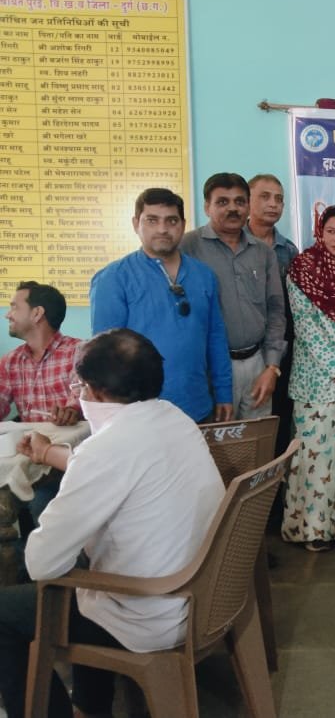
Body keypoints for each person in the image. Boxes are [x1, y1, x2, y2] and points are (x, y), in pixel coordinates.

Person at [0, 328, 224, 718]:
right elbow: (122, 466)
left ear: (97, 392)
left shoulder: (105, 450)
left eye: (80, 387)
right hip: (206, 595)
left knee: (8, 613)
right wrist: (54, 454)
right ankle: (90, 705)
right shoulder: (175, 418)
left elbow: (42, 563)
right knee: (86, 571)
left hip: (150, 614)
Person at [91, 187, 233, 422]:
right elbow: (104, 355)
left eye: (171, 221)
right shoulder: (113, 278)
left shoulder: (204, 275)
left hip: (197, 407)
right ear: (136, 224)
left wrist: (224, 393)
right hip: (137, 413)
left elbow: (215, 338)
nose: (162, 229)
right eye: (152, 220)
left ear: (183, 225)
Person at [281, 206, 335, 551]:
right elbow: (305, 326)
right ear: (320, 233)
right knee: (315, 454)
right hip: (316, 378)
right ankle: (313, 529)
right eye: (331, 231)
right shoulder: (303, 268)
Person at [182, 172, 286, 420]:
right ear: (207, 206)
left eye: (239, 202)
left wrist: (272, 367)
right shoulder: (187, 247)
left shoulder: (263, 252)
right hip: (209, 367)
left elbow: (275, 310)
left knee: (257, 441)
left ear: (248, 206)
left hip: (257, 364)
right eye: (222, 202)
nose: (232, 208)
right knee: (214, 440)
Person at [247, 173, 300, 455]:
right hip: (242, 350)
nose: (273, 204)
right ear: (248, 201)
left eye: (279, 199)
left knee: (277, 425)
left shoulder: (289, 251)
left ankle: (276, 484)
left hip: (280, 352)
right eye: (265, 197)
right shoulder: (234, 244)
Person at [1, 282, 80, 426]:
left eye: (14, 307)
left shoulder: (79, 352)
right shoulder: (10, 362)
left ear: (37, 313)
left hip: (72, 438)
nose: (7, 315)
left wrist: (71, 411)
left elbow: (82, 396)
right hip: (28, 440)